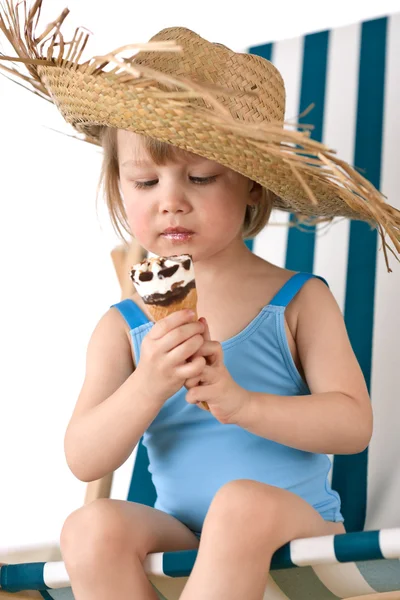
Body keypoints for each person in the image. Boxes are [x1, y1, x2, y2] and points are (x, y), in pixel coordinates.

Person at [2, 4, 398, 599]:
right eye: (145, 182)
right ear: (120, 186)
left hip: (292, 532)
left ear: (252, 186)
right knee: (91, 526)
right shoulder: (124, 326)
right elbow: (85, 458)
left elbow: (352, 426)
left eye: (202, 177)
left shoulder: (297, 300)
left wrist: (241, 404)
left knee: (238, 506)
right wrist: (148, 384)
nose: (171, 202)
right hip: (183, 539)